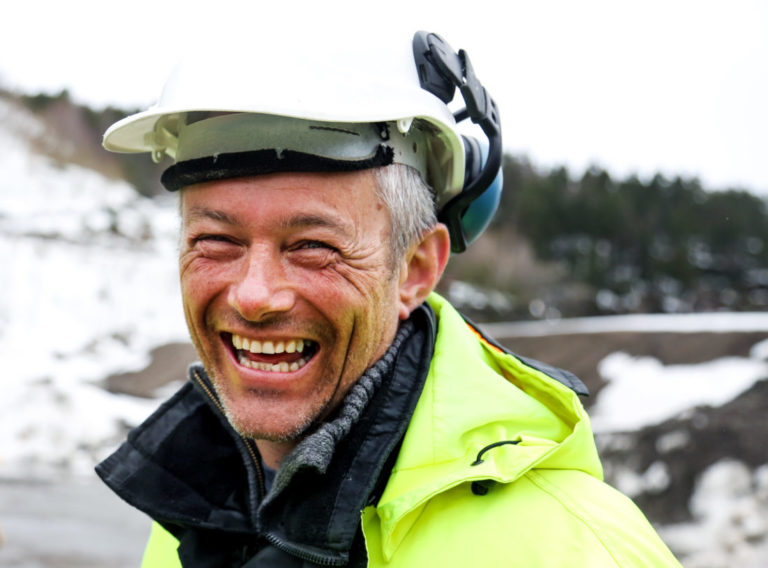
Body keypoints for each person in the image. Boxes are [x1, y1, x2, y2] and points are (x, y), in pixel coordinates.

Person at [96, 31, 682, 567]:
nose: (254, 295)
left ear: (415, 269)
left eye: (312, 246)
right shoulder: (191, 511)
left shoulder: (575, 550)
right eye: (216, 241)